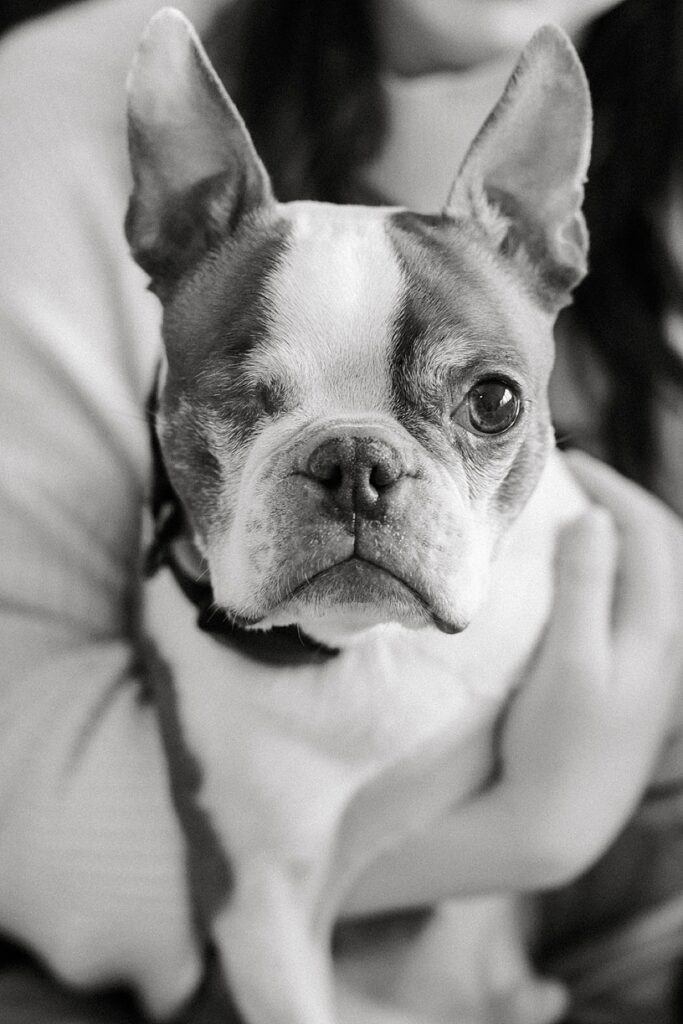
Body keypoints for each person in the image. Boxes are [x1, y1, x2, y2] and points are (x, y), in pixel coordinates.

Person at [0, 2, 681, 1023]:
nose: (363, 483)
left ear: (550, 225)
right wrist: (526, 830)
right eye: (248, 400)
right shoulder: (51, 118)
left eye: (485, 406)